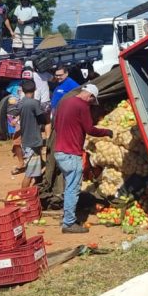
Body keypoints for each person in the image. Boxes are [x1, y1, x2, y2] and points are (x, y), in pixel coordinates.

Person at [53, 83, 113, 233]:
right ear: (90, 96)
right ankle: (69, 224)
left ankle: (68, 216)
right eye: (93, 100)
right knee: (73, 189)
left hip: (60, 151)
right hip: (71, 153)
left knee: (69, 187)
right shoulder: (83, 106)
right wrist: (107, 132)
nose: (92, 103)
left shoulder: (65, 102)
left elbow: (56, 123)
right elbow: (90, 129)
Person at [8, 80, 49, 188]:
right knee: (30, 174)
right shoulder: (34, 103)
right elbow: (42, 120)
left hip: (26, 140)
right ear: (35, 90)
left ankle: (37, 190)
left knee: (37, 169)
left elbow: (12, 114)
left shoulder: (20, 103)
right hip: (34, 141)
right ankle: (24, 194)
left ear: (23, 90)